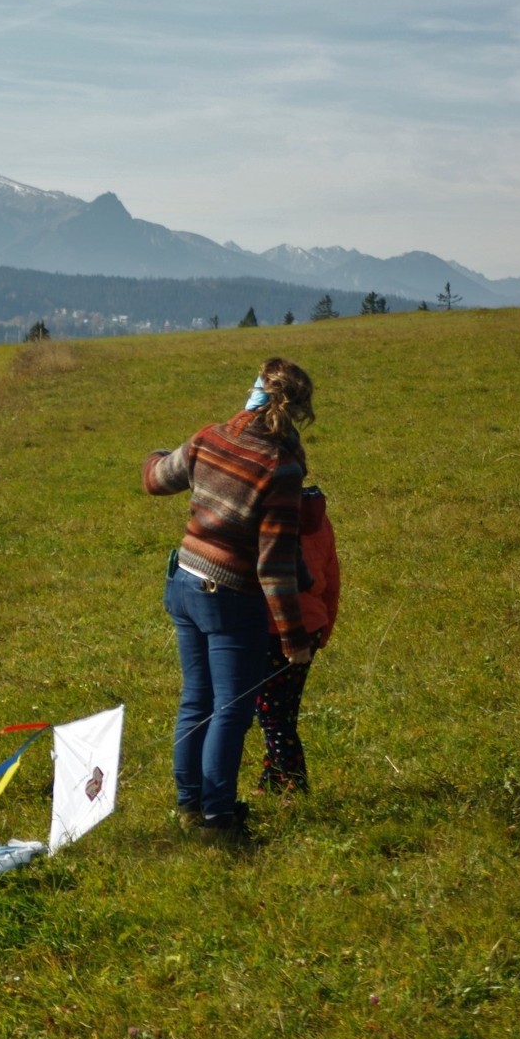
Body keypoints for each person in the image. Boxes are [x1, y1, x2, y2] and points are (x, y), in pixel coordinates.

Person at [142, 357, 315, 847]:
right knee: (231, 711)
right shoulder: (280, 468)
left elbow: (156, 478)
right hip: (229, 597)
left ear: (254, 395)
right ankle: (219, 820)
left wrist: (158, 454)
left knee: (195, 698)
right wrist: (293, 637)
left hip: (183, 582)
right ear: (297, 412)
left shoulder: (208, 437)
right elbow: (274, 565)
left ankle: (190, 806)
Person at [254, 484, 340, 795]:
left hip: (275, 628)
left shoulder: (263, 517)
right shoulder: (317, 517)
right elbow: (332, 577)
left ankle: (296, 783)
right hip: (312, 624)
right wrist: (325, 626)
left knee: (271, 711)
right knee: (283, 707)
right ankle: (272, 780)